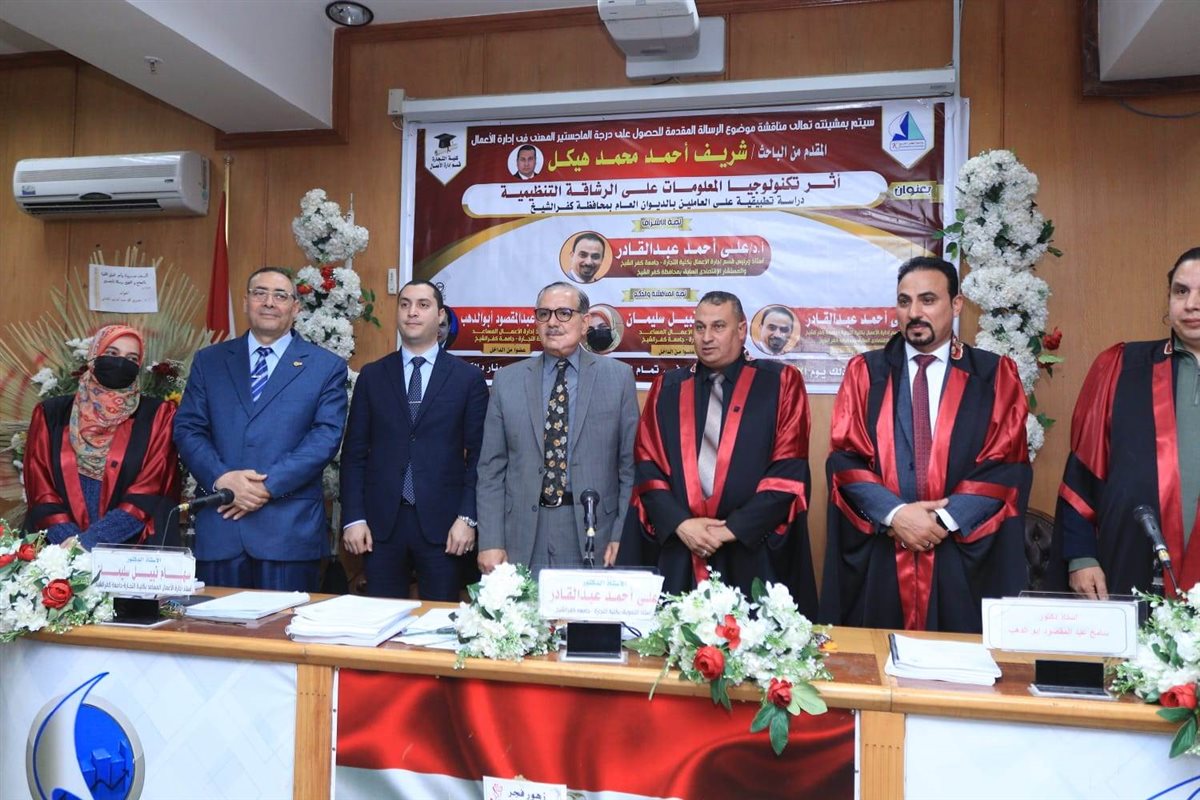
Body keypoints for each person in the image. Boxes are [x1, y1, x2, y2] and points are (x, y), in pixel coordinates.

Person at [819, 256, 1031, 633]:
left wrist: (939, 521)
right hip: (883, 552)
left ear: (956, 305)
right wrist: (897, 515)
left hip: (962, 552)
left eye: (928, 300)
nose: (914, 313)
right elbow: (845, 460)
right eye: (904, 302)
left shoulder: (994, 375)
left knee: (959, 662)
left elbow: (1007, 463)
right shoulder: (866, 372)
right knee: (877, 657)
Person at [618, 291, 817, 612]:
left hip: (751, 549)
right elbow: (647, 465)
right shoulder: (667, 388)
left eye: (718, 327)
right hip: (679, 547)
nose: (707, 337)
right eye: (699, 327)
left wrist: (729, 530)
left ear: (741, 330)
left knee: (751, 639)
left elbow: (788, 471)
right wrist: (682, 524)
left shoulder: (780, 383)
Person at [174, 267, 348, 592]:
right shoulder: (209, 361)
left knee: (284, 625)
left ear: (295, 307)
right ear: (245, 302)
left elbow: (325, 438)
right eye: (260, 293)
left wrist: (265, 487)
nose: (269, 302)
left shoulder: (326, 366)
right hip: (221, 522)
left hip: (288, 531)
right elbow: (188, 429)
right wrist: (223, 480)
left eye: (280, 295)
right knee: (215, 623)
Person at [1057, 247, 1200, 599]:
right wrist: (1081, 557)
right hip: (1132, 564)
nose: (1191, 304)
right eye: (1181, 291)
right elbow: (1082, 474)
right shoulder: (1122, 367)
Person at [476, 281, 638, 575]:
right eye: (544, 314)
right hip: (522, 534)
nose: (552, 322)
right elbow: (491, 470)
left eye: (564, 313)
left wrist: (621, 536)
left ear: (585, 322)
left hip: (594, 532)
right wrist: (490, 540)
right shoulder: (507, 381)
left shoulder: (618, 378)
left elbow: (629, 469)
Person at [340, 281, 488, 600]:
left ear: (440, 315)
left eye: (423, 305)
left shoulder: (467, 379)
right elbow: (354, 454)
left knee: (439, 620)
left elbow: (480, 457)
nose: (412, 312)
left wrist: (467, 518)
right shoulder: (372, 376)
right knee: (380, 619)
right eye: (405, 304)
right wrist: (354, 517)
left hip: (445, 526)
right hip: (380, 527)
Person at [24, 324, 180, 548]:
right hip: (57, 552)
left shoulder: (157, 416)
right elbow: (40, 488)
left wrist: (90, 541)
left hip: (130, 551)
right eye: (112, 353)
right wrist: (69, 544)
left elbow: (151, 488)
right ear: (94, 354)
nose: (121, 363)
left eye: (132, 358)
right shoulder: (51, 414)